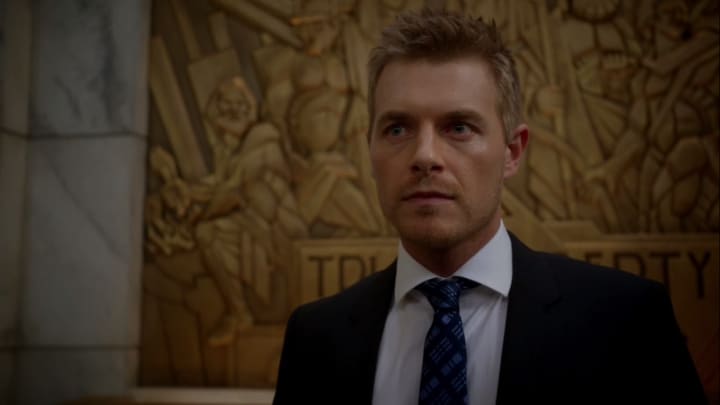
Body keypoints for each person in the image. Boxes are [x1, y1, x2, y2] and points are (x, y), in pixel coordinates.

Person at [272, 8, 706, 405]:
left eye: (458, 127)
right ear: (370, 150)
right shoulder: (316, 338)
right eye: (398, 129)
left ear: (512, 152)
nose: (425, 156)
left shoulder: (626, 321)